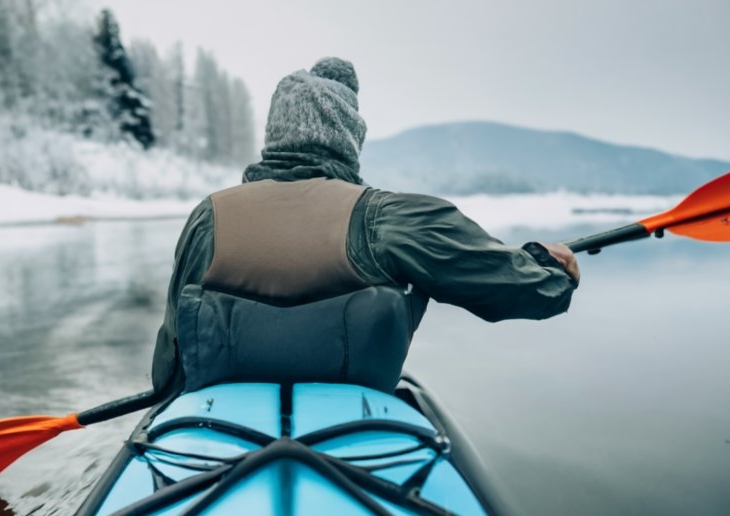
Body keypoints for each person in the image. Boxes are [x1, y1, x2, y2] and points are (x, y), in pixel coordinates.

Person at [151, 57, 579, 399]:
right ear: (349, 138)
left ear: (274, 135)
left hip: (220, 424)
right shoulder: (389, 217)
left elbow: (170, 359)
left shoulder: (209, 216)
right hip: (355, 425)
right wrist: (549, 268)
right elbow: (524, 289)